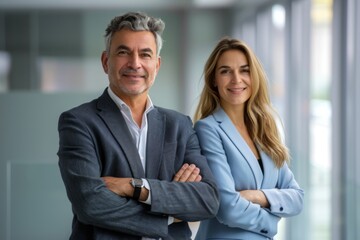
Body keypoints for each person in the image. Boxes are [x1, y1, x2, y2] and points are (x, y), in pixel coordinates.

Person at [57, 12, 219, 240]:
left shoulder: (179, 125)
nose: (135, 63)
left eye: (145, 54)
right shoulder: (79, 122)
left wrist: (134, 187)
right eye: (123, 52)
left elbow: (208, 200)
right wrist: (171, 212)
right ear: (106, 61)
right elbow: (91, 204)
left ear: (157, 65)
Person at [193, 37, 304, 240]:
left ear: (254, 76)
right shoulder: (207, 129)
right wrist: (271, 221)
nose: (236, 79)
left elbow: (297, 198)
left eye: (244, 70)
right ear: (214, 81)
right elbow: (227, 208)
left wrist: (255, 196)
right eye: (225, 71)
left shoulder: (266, 129)